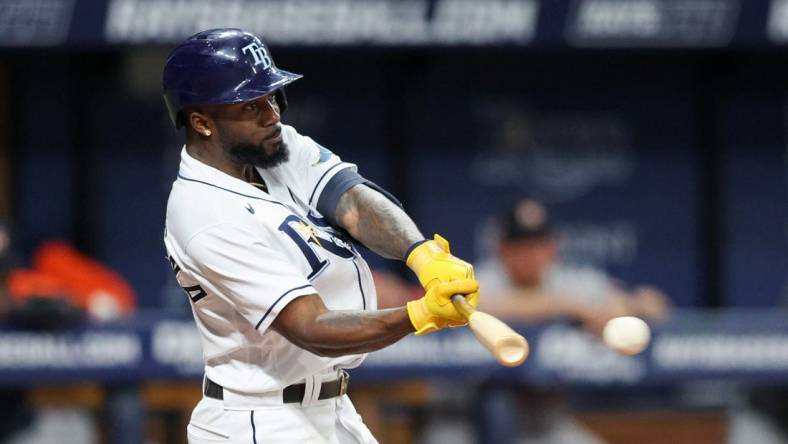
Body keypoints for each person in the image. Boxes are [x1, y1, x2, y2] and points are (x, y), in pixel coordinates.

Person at [161, 28, 479, 444]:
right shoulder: (205, 215)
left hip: (329, 407)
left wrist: (422, 256)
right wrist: (418, 315)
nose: (272, 114)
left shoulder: (273, 147)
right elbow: (310, 327)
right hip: (260, 421)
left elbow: (352, 202)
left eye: (272, 98)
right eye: (252, 105)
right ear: (202, 122)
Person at [473, 199, 670, 444]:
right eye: (520, 245)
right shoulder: (479, 278)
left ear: (553, 248)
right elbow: (481, 305)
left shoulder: (567, 279)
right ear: (502, 249)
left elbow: (653, 305)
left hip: (547, 419)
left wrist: (624, 306)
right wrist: (570, 306)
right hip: (466, 418)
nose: (531, 254)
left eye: (538, 244)